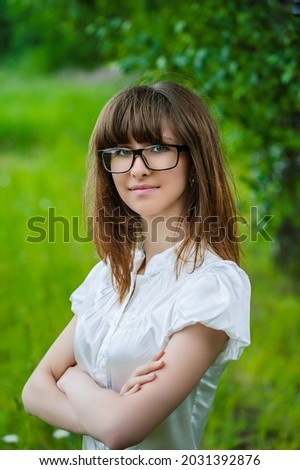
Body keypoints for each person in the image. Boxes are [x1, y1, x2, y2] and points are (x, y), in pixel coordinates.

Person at [22, 80, 251, 450]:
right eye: (120, 152)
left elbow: (121, 430)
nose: (137, 169)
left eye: (158, 148)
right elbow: (33, 391)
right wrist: (96, 399)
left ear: (196, 161)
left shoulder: (212, 285)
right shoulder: (110, 275)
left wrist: (71, 379)